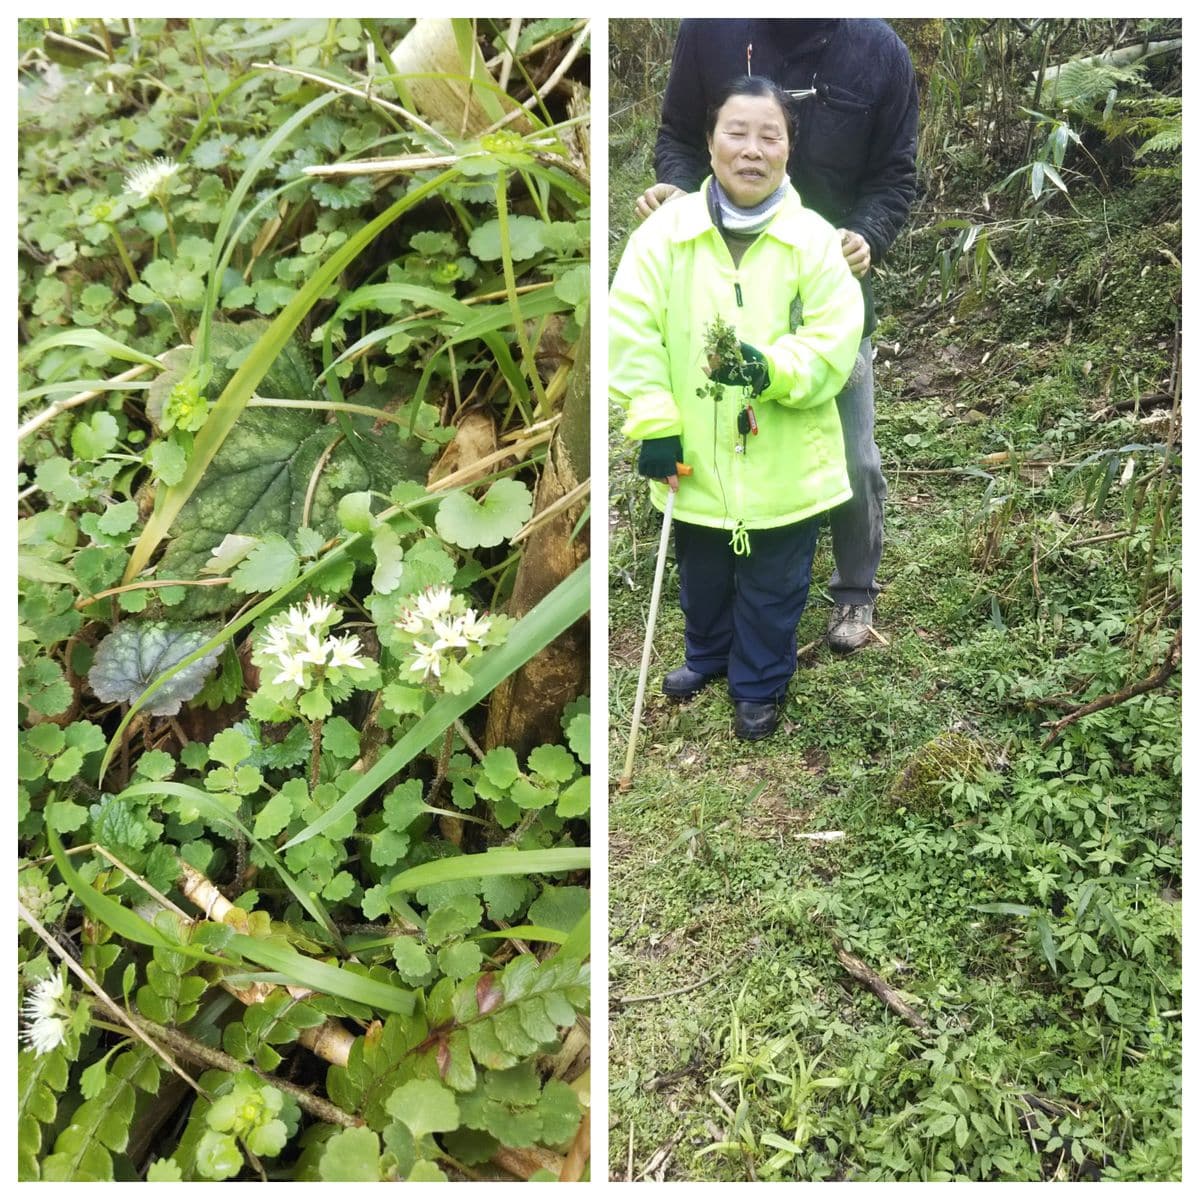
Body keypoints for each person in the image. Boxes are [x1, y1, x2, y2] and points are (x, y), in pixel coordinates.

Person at [635, 20, 919, 654]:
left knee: (850, 454)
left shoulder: (879, 51)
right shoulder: (709, 30)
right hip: (714, 279)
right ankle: (733, 574)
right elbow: (679, 135)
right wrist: (681, 203)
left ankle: (853, 592)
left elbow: (895, 176)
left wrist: (867, 233)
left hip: (827, 289)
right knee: (715, 435)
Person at [610, 76, 864, 741]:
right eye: (737, 132)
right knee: (703, 568)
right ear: (711, 140)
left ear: (788, 149)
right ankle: (708, 655)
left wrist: (770, 369)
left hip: (786, 460)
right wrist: (656, 424)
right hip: (695, 447)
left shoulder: (814, 241)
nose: (752, 150)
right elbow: (632, 329)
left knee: (775, 580)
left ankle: (758, 684)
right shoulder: (665, 234)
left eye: (769, 135)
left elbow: (834, 340)